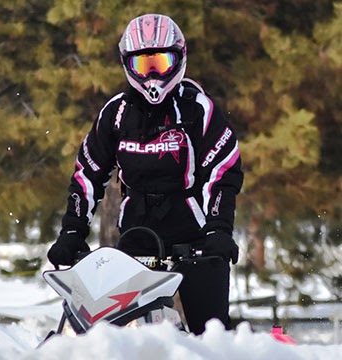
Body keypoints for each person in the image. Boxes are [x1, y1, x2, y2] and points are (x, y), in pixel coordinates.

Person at [47, 14, 244, 335]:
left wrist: (219, 229)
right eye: (143, 64)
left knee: (211, 333)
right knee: (118, 333)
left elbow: (223, 171)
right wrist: (72, 231)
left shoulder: (199, 109)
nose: (153, 74)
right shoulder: (116, 113)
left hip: (196, 239)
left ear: (179, 59)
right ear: (127, 65)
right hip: (135, 237)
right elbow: (87, 174)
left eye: (161, 62)